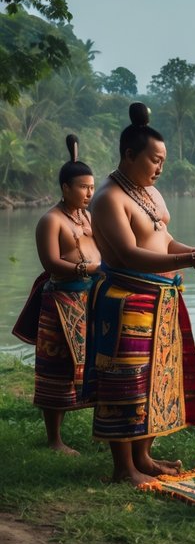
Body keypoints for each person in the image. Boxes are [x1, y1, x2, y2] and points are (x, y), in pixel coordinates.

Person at [84, 103, 195, 486]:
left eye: (163, 161)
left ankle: (143, 457)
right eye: (154, 160)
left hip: (161, 298)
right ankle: (124, 468)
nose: (160, 168)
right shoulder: (108, 198)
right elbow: (128, 254)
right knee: (127, 382)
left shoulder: (149, 193)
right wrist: (193, 259)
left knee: (157, 379)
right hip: (126, 299)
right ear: (129, 155)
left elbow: (164, 240)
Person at [11, 135, 101, 454]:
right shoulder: (50, 220)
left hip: (91, 299)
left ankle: (103, 429)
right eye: (83, 187)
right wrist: (88, 268)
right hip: (61, 301)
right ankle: (55, 440)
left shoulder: (88, 217)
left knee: (98, 362)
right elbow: (51, 263)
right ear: (65, 187)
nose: (89, 193)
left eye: (92, 187)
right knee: (56, 368)